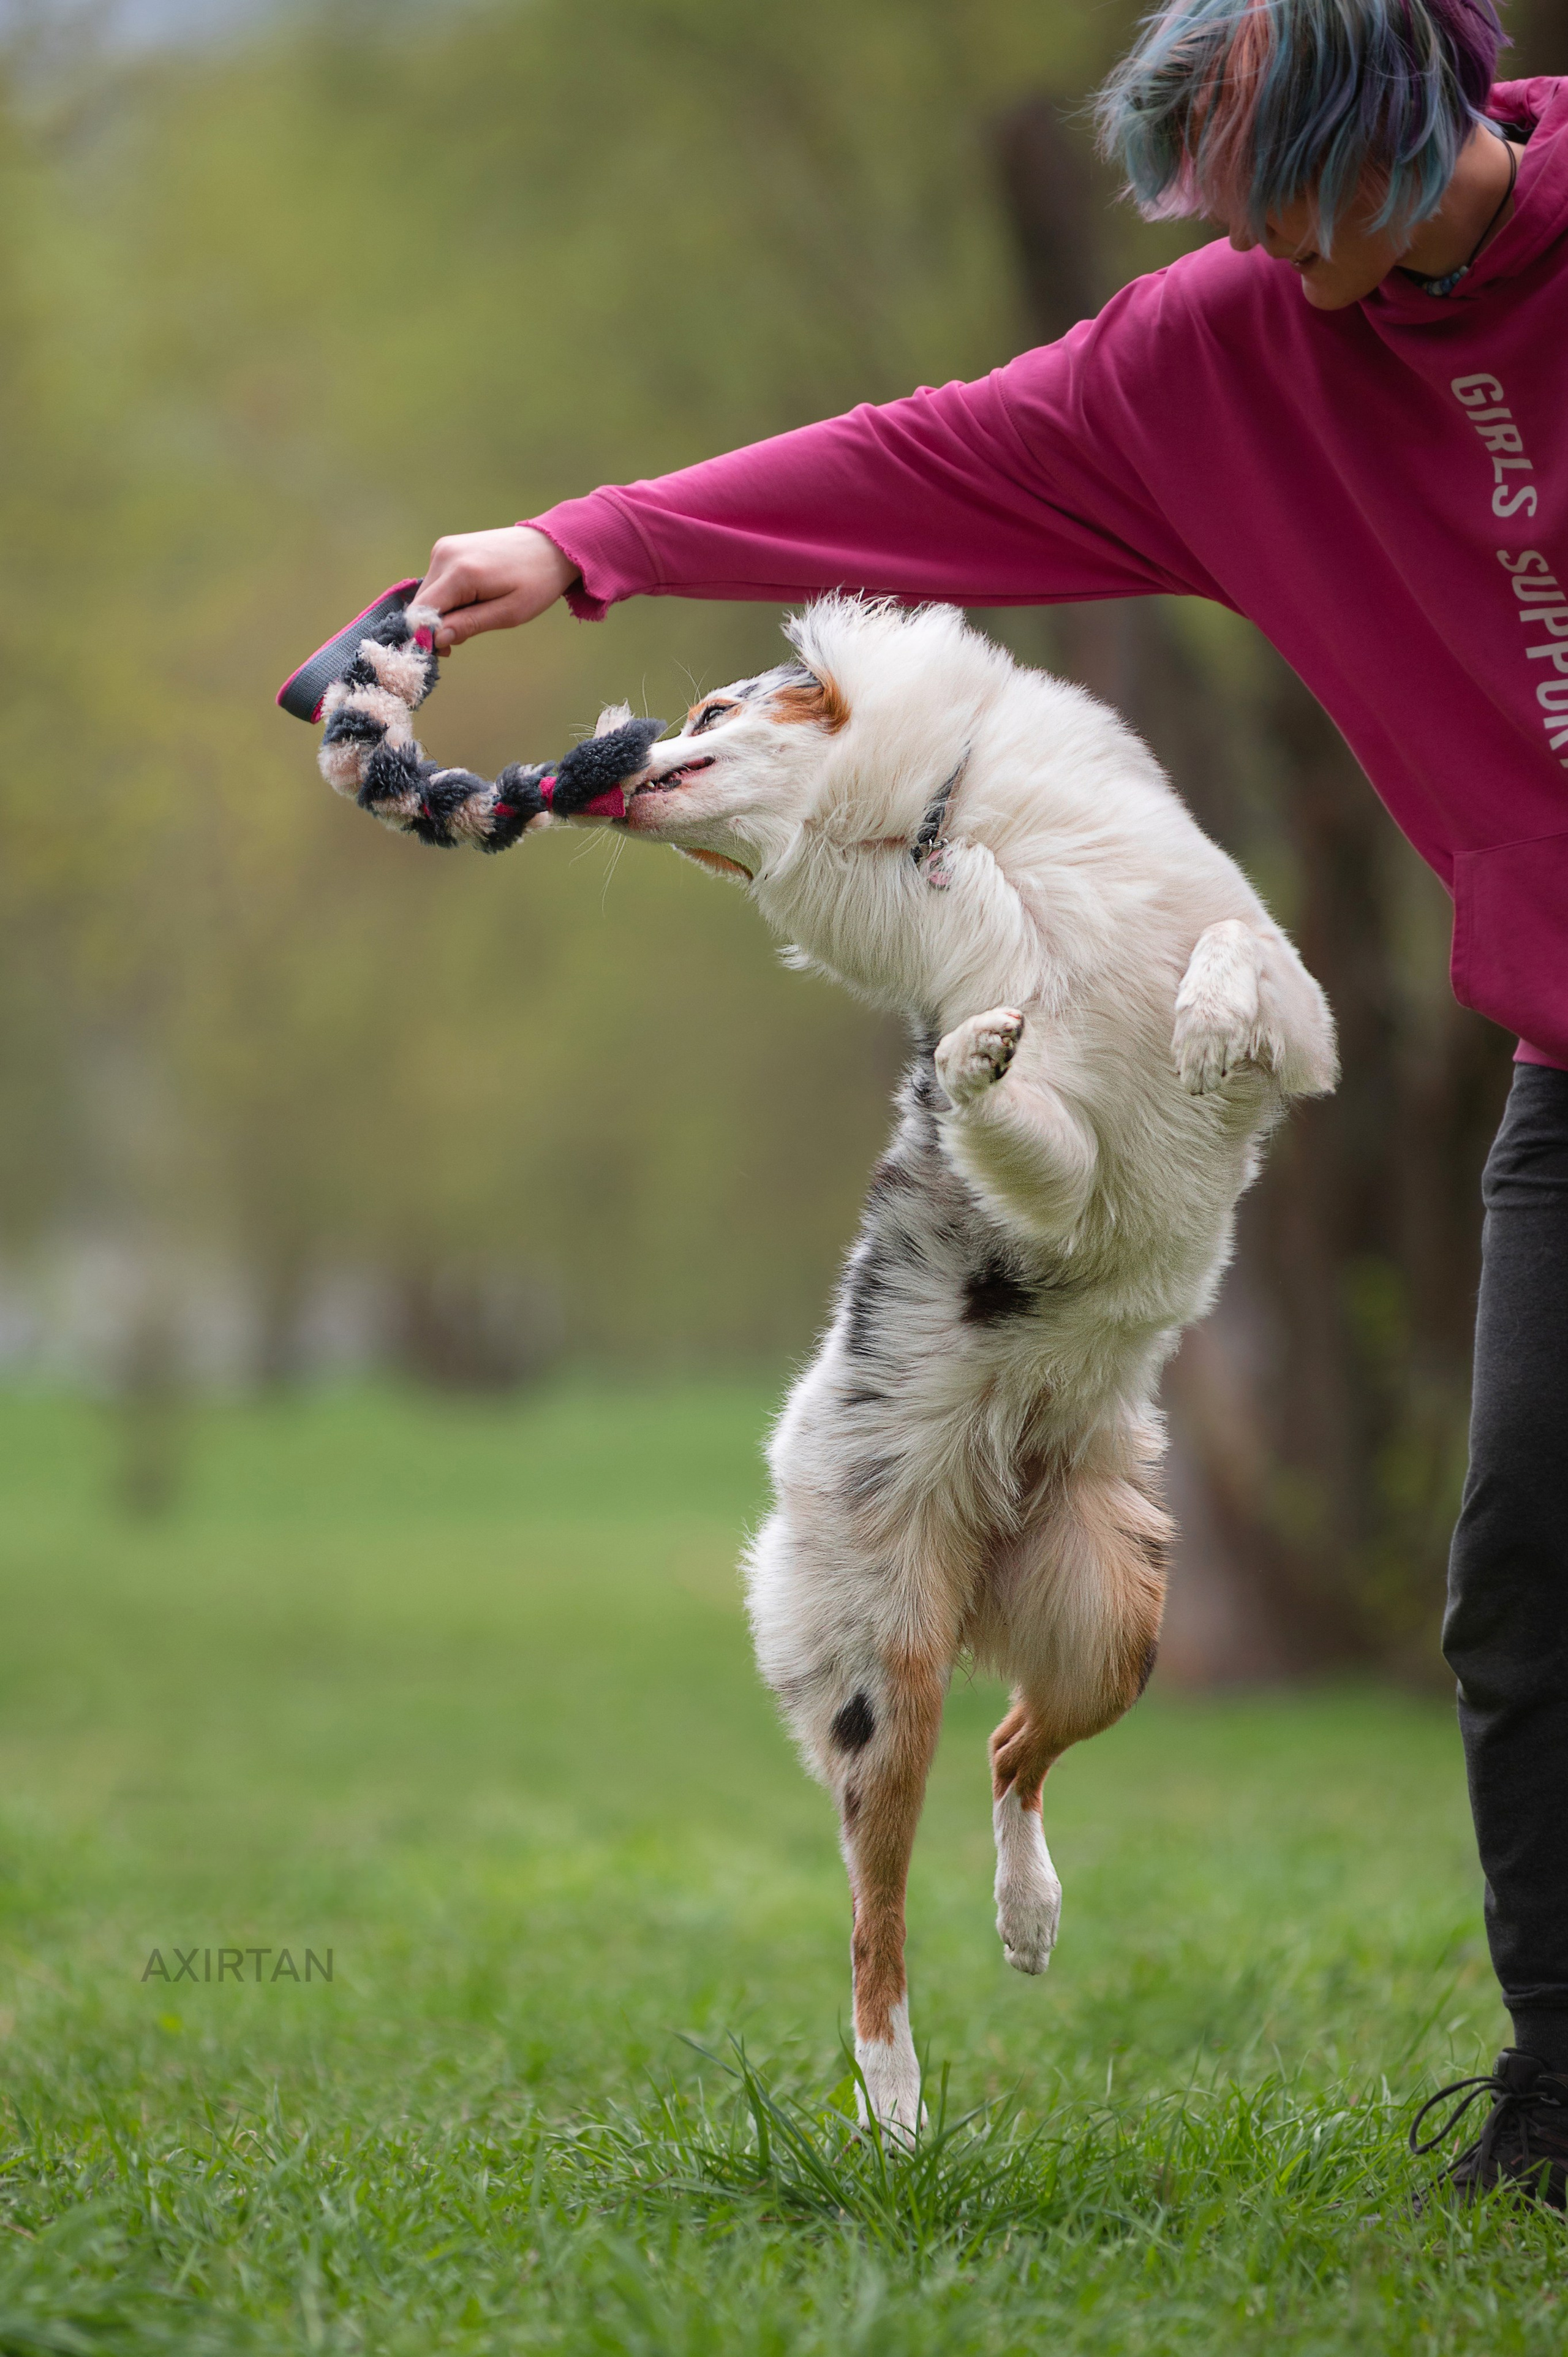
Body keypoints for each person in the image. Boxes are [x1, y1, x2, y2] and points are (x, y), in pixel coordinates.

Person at [417, 0, 1568, 2204]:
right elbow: (929, 452)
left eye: (1248, 195)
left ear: (1369, 147)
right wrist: (591, 547)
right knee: (1524, 1580)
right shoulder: (1229, 356)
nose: (1219, 240)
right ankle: (1563, 2116)